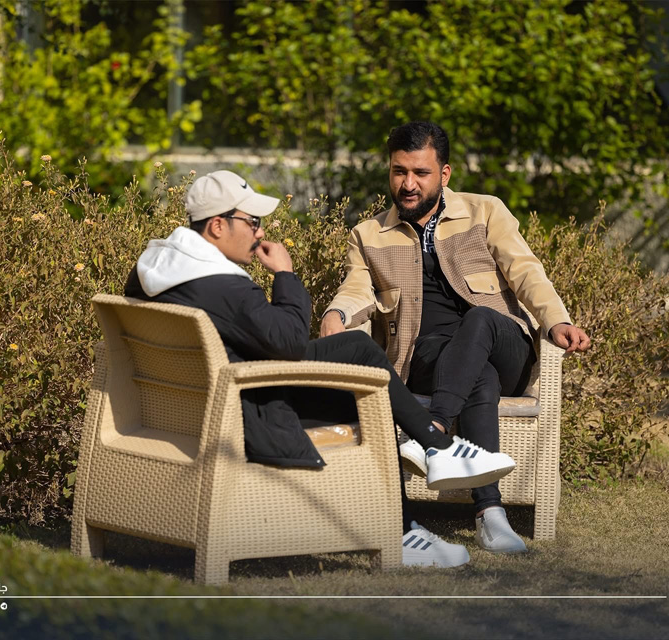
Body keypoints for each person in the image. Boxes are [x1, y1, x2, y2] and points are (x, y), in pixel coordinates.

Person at [124, 169, 517, 568]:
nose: (260, 232)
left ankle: (431, 460)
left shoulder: (155, 272)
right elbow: (290, 342)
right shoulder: (222, 286)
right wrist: (285, 274)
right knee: (363, 382)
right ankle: (420, 490)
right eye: (252, 221)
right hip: (249, 415)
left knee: (356, 353)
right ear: (217, 226)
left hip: (193, 410)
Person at [321, 122, 591, 554]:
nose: (408, 184)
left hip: (504, 345)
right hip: (432, 358)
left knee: (481, 320)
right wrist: (337, 313)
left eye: (420, 173)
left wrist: (556, 320)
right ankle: (490, 514)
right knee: (477, 377)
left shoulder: (485, 212)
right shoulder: (368, 236)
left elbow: (525, 271)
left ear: (444, 174)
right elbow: (356, 289)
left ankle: (433, 431)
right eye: (399, 171)